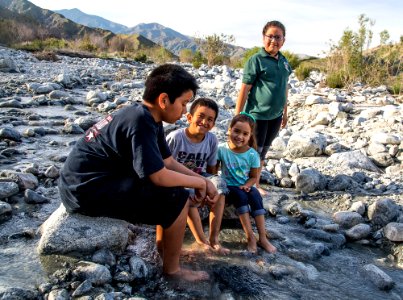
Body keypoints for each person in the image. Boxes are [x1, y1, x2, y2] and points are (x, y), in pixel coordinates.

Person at [58, 64, 216, 282]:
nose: (183, 110)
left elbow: (167, 161)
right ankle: (172, 271)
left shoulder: (150, 117)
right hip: (84, 191)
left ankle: (165, 250)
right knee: (177, 197)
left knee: (174, 189)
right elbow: (159, 176)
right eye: (183, 103)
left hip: (86, 182)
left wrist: (203, 181)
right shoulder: (140, 121)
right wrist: (196, 185)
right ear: (164, 100)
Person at [235, 20, 292, 197]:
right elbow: (245, 88)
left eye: (278, 37)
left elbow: (284, 87)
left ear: (283, 40)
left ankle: (254, 183)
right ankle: (248, 184)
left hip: (275, 116)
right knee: (253, 152)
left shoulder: (283, 61)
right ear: (263, 38)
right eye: (270, 36)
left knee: (263, 151)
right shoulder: (256, 60)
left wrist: (285, 112)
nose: (274, 40)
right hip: (257, 115)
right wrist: (238, 116)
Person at [166, 97, 229, 255]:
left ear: (213, 124)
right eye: (200, 116)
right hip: (179, 179)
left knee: (220, 186)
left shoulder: (211, 140)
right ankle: (201, 240)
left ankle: (214, 239)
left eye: (210, 119)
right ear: (189, 117)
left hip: (200, 176)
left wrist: (211, 190)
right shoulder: (176, 138)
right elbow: (165, 166)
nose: (204, 122)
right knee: (188, 194)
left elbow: (212, 168)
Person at [216, 113, 277, 254]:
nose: (240, 137)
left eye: (245, 133)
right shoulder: (222, 150)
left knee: (255, 195)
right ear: (229, 129)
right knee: (241, 197)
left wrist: (248, 185)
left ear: (250, 136)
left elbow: (253, 177)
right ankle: (250, 237)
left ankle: (262, 237)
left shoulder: (252, 154)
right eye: (236, 131)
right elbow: (213, 173)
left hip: (245, 186)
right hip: (228, 186)